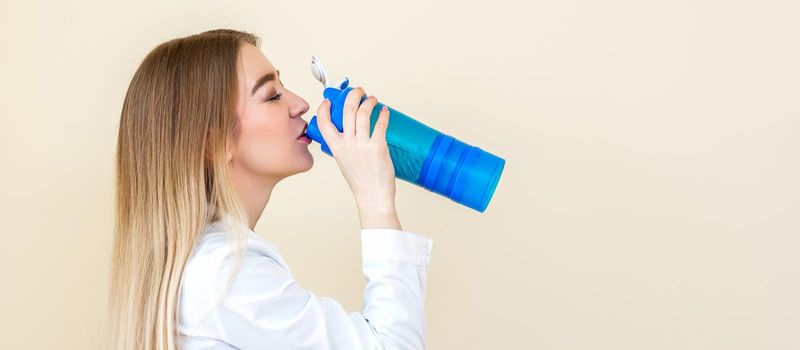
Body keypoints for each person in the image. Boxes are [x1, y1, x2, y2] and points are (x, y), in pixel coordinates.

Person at [107, 29, 433, 350]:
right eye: (272, 95)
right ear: (214, 143)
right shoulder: (224, 272)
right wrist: (375, 198)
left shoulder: (207, 265)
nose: (301, 104)